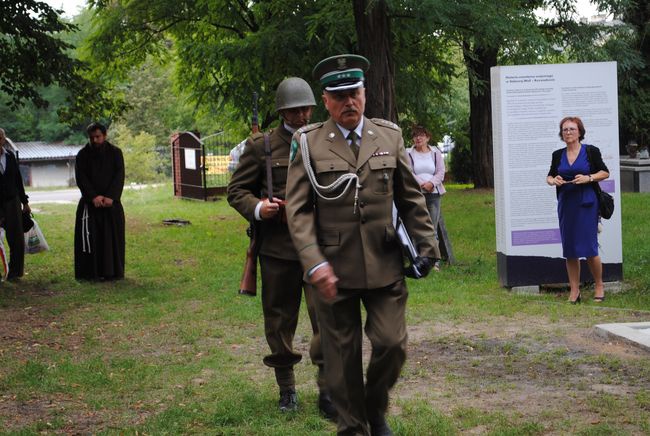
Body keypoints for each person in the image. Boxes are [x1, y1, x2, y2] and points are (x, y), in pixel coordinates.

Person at [286, 54, 439, 436]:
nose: (348, 102)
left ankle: (373, 407)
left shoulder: (388, 136)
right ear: (326, 101)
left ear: (364, 93)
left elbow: (409, 199)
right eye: (339, 96)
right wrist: (312, 261)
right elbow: (299, 211)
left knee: (391, 343)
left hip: (384, 261)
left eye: (354, 93)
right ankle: (352, 427)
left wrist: (426, 245)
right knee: (341, 358)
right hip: (332, 268)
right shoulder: (308, 143)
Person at [227, 77, 335, 418]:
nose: (303, 116)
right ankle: (287, 389)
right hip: (278, 248)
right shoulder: (263, 146)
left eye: (307, 109)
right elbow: (237, 190)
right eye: (295, 111)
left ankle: (328, 391)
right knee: (279, 322)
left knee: (328, 321)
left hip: (318, 248)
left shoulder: (324, 140)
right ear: (282, 112)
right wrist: (260, 208)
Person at [546, 116, 609, 303]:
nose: (568, 132)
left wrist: (588, 178)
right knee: (570, 249)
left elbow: (605, 172)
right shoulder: (557, 154)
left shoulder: (591, 151)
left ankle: (599, 285)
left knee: (590, 248)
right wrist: (553, 180)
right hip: (566, 204)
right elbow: (549, 176)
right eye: (565, 130)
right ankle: (574, 290)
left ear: (579, 132)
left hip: (587, 204)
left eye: (572, 129)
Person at [74, 122, 125, 281]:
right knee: (91, 240)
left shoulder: (116, 153)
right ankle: (91, 273)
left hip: (111, 204)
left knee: (112, 239)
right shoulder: (82, 155)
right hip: (90, 205)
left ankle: (112, 272)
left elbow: (119, 175)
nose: (95, 140)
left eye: (98, 137)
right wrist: (93, 196)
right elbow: (81, 177)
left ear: (105, 135)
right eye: (92, 137)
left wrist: (111, 196)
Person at [406, 125, 446, 271]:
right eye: (415, 135)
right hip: (416, 194)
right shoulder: (408, 153)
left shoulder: (435, 153)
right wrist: (422, 184)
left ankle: (434, 261)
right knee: (416, 227)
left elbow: (441, 171)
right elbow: (408, 172)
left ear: (427, 138)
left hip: (434, 194)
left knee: (432, 228)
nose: (418, 138)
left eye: (421, 135)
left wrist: (431, 183)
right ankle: (419, 259)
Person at [0, 128, 30, 280]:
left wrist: (25, 202)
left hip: (12, 201)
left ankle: (15, 272)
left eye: (0, 138)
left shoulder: (10, 156)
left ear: (3, 140)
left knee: (16, 239)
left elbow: (18, 180)